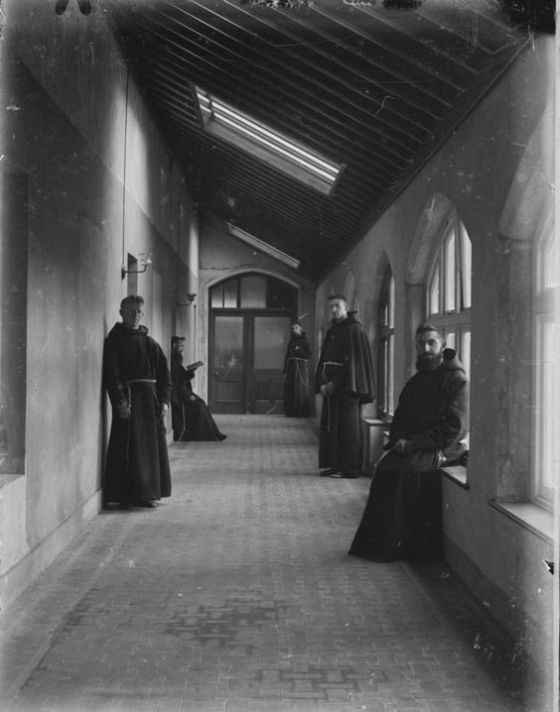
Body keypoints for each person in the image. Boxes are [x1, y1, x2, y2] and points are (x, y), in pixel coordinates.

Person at [349, 323, 469, 561]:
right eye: (421, 344)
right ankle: (380, 545)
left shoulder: (457, 380)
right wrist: (397, 441)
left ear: (443, 345)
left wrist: (412, 445)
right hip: (414, 445)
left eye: (431, 343)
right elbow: (400, 416)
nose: (426, 349)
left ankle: (407, 548)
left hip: (443, 450)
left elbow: (454, 428)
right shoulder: (417, 380)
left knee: (411, 472)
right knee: (385, 468)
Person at [103, 295, 172, 509]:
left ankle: (149, 493)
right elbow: (111, 375)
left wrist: (164, 402)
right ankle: (128, 496)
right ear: (121, 312)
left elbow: (165, 376)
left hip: (150, 404)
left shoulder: (150, 343)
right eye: (131, 311)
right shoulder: (115, 340)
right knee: (130, 449)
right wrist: (120, 402)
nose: (136, 315)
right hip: (130, 403)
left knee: (149, 450)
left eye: (139, 312)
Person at [315, 294, 375, 478]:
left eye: (337, 306)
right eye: (331, 306)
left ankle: (349, 469)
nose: (333, 310)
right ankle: (335, 465)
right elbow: (324, 359)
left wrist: (335, 383)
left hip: (349, 388)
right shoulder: (333, 330)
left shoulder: (354, 329)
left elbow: (353, 363)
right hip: (331, 389)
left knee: (348, 429)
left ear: (346, 307)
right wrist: (322, 384)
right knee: (332, 427)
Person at [170, 336, 227, 442]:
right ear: (174, 345)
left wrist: (191, 371)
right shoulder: (174, 360)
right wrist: (188, 395)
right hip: (180, 395)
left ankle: (215, 433)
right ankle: (209, 434)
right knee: (200, 406)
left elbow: (181, 377)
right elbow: (177, 382)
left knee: (202, 404)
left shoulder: (176, 359)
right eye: (181, 345)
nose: (182, 348)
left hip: (184, 392)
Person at [283, 322, 312, 417]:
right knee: (291, 389)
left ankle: (301, 412)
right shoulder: (291, 342)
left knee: (300, 390)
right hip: (291, 368)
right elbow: (287, 356)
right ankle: (291, 411)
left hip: (301, 369)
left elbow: (308, 355)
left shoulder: (305, 341)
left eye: (296, 328)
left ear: (300, 329)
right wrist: (285, 371)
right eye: (293, 328)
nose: (294, 330)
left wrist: (299, 350)